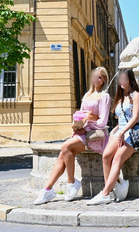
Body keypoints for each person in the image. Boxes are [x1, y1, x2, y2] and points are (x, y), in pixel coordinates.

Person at [34, 66, 111, 204]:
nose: (96, 79)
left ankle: (71, 183)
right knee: (62, 155)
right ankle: (47, 189)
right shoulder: (87, 95)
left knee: (65, 147)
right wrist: (77, 125)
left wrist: (86, 124)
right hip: (81, 132)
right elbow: (80, 115)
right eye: (94, 76)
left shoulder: (104, 96)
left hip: (93, 134)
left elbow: (103, 121)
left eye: (99, 77)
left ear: (104, 79)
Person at [88, 68, 139, 205]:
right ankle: (112, 188)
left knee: (117, 158)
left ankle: (105, 193)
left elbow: (135, 118)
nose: (123, 81)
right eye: (121, 79)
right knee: (106, 156)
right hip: (120, 131)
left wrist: (123, 132)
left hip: (133, 132)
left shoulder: (136, 95)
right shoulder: (120, 96)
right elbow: (121, 119)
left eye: (125, 79)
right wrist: (115, 130)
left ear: (130, 80)